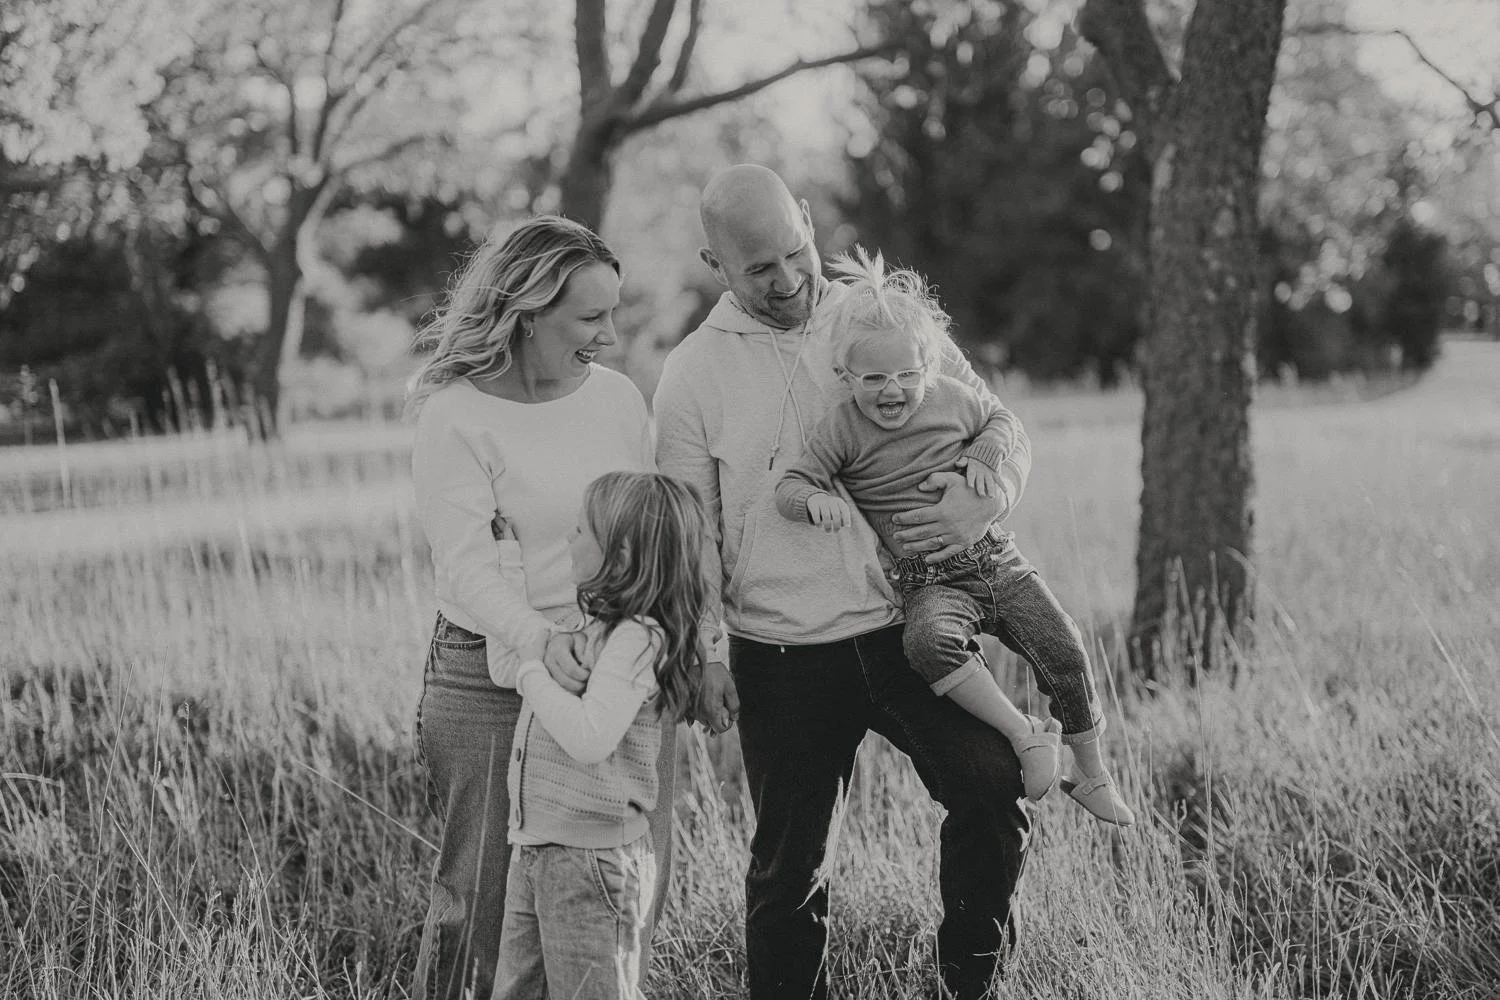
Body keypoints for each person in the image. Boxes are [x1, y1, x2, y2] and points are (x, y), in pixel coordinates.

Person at [654, 164, 1033, 1000]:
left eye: (797, 252)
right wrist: (707, 654)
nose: (789, 281)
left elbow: (996, 421)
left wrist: (987, 498)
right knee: (789, 871)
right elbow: (692, 533)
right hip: (779, 651)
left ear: (808, 223)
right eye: (760, 269)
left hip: (911, 629)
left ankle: (969, 982)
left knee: (992, 787)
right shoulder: (691, 375)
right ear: (716, 265)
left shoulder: (878, 319)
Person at [406, 216, 675, 1000]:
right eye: (591, 318)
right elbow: (468, 566)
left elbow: (651, 534)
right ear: (526, 309)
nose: (611, 337)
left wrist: (684, 649)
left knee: (618, 884)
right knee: (480, 904)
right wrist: (540, 642)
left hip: (615, 668)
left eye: (613, 314)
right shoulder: (456, 415)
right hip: (490, 672)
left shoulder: (619, 401)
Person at [773, 246, 1134, 825]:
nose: (893, 391)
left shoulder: (952, 399)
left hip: (996, 559)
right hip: (927, 581)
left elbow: (1002, 421)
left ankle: (1093, 776)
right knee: (925, 644)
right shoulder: (839, 430)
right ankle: (1024, 735)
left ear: (929, 366)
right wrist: (814, 500)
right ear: (845, 377)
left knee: (1063, 645)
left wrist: (988, 457)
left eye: (907, 376)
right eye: (874, 379)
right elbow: (789, 485)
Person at [491, 471, 708, 1000]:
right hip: (540, 847)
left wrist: (532, 674)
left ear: (624, 554)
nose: (569, 538)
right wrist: (506, 559)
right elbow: (506, 653)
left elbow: (590, 738)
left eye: (581, 531)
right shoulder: (591, 625)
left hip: (589, 862)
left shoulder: (637, 638)